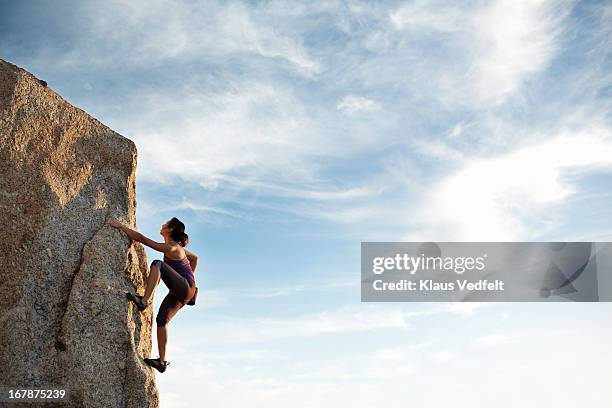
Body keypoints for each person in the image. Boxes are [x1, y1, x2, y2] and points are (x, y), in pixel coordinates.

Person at [106, 216, 199, 373]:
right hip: (183, 292)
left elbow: (142, 239)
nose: (162, 224)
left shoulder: (172, 247)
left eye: (166, 223)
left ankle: (144, 301)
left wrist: (120, 226)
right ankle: (161, 362)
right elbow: (194, 258)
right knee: (161, 320)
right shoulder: (178, 248)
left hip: (185, 289)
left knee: (157, 264)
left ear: (169, 229)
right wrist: (187, 280)